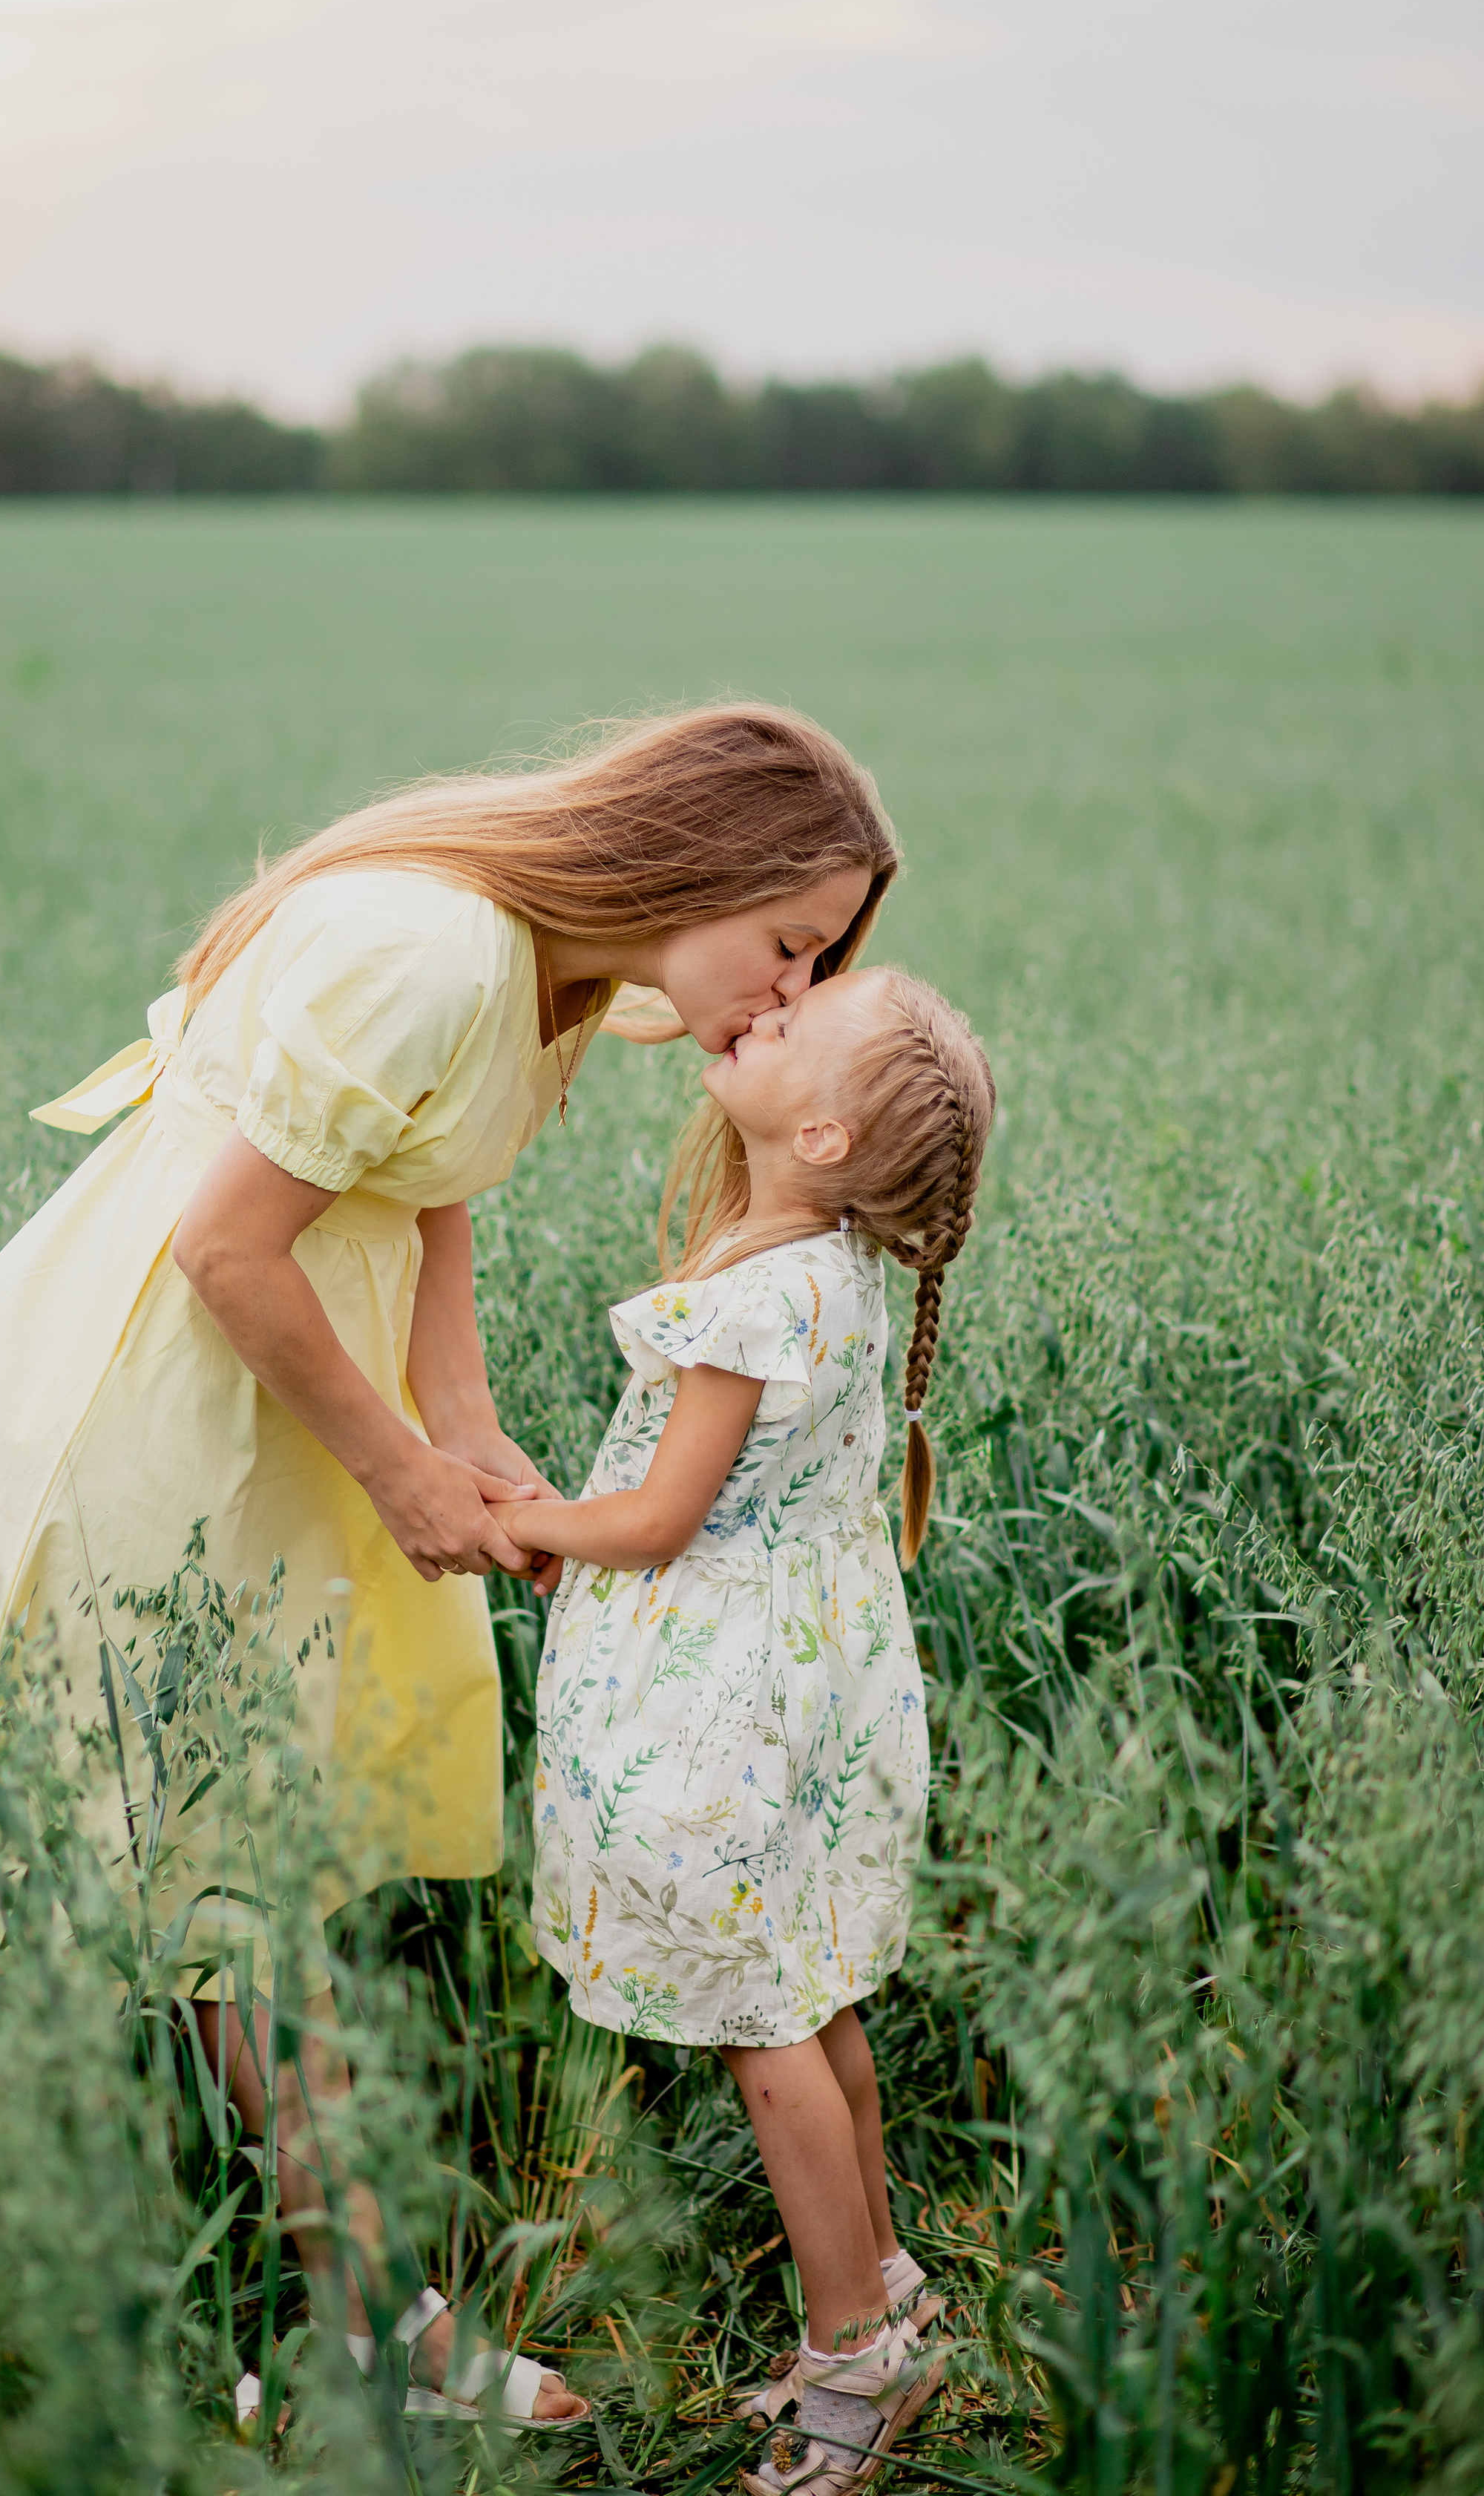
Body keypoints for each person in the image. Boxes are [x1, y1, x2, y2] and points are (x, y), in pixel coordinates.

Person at [0, 704, 899, 2429]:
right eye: (788, 942)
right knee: (214, 1884)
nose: (791, 994)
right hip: (173, 1414)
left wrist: (455, 1414)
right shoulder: (438, 947)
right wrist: (393, 1469)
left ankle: (370, 2326)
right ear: (704, 859)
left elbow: (426, 1176)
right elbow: (223, 1243)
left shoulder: (556, 974)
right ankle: (321, 2331)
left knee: (250, 1882)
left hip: (295, 1400)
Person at [498, 963, 994, 2490]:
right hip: (808, 1684)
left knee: (760, 2030)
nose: (760, 1018)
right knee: (808, 1992)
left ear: (828, 1137)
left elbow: (652, 1522)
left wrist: (521, 1518)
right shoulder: (832, 1268)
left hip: (714, 1706)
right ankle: (889, 2290)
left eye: (790, 1029)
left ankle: (850, 2360)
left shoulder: (744, 1303)